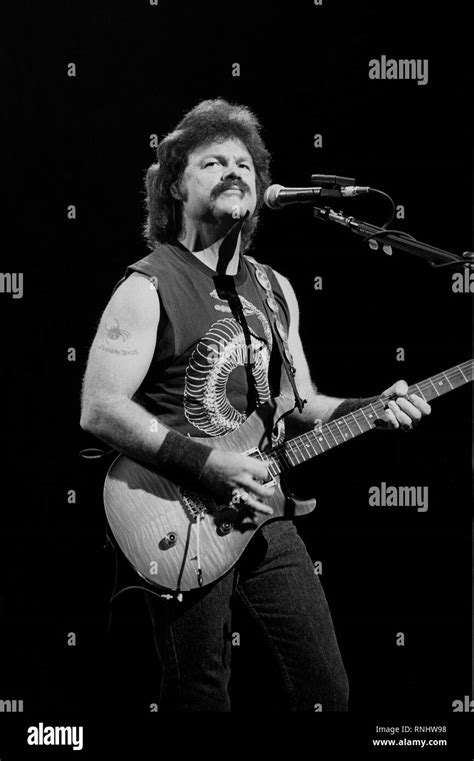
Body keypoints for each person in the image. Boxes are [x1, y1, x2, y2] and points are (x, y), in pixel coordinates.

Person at [80, 98, 431, 712]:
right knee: (201, 696)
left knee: (327, 690)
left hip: (264, 508)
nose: (235, 171)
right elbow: (101, 410)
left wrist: (376, 404)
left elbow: (300, 405)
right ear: (173, 188)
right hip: (176, 514)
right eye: (213, 162)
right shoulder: (147, 285)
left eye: (244, 162)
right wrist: (207, 465)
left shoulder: (274, 289)